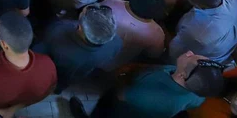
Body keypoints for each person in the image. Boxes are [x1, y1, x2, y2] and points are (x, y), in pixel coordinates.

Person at [75, 51, 225, 118]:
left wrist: (120, 83)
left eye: (190, 57)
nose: (189, 52)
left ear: (182, 75)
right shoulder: (199, 92)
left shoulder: (150, 97)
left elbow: (122, 96)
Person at [33, 4, 122, 90]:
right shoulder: (117, 43)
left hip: (57, 70)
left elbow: (39, 51)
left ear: (80, 28)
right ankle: (58, 89)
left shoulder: (58, 31)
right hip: (80, 73)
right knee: (64, 83)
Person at [167, 0, 237, 64]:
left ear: (198, 5)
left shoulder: (197, 32)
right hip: (225, 46)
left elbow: (173, 50)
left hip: (203, 58)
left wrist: (160, 27)